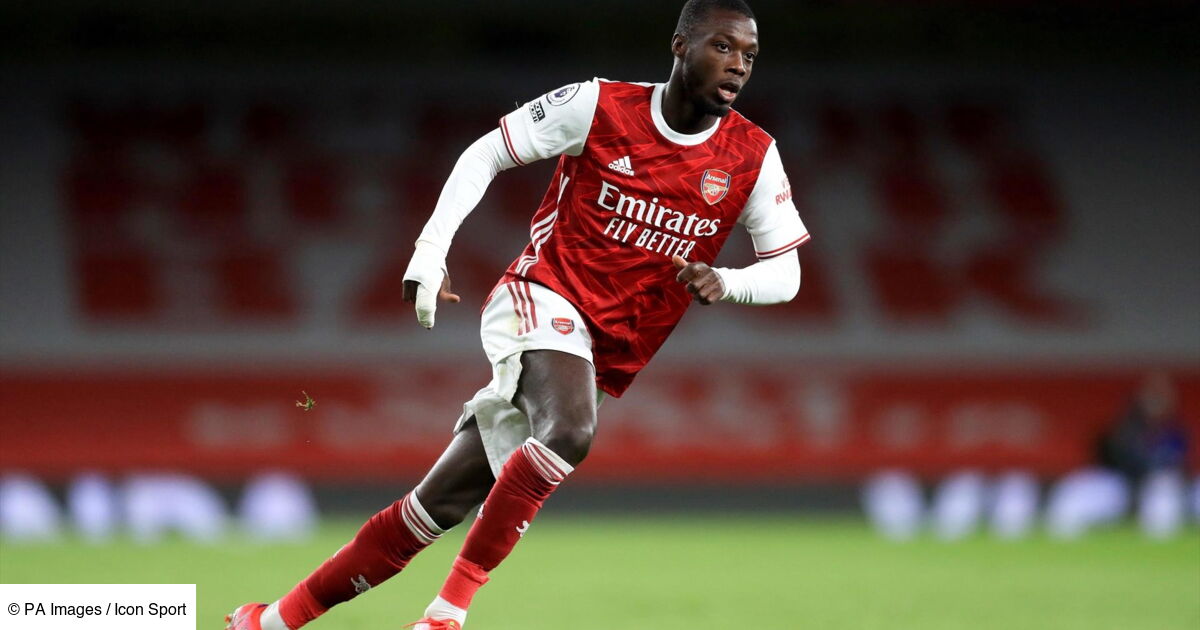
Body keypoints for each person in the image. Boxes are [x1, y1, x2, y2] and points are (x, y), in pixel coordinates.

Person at [227, 1, 808, 628]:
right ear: (679, 45)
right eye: (723, 47)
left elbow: (787, 274)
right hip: (542, 295)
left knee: (434, 507)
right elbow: (485, 154)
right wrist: (430, 251)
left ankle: (270, 620)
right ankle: (445, 615)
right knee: (571, 432)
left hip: (606, 350)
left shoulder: (753, 155)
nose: (738, 65)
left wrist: (728, 281)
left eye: (749, 55)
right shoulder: (599, 105)